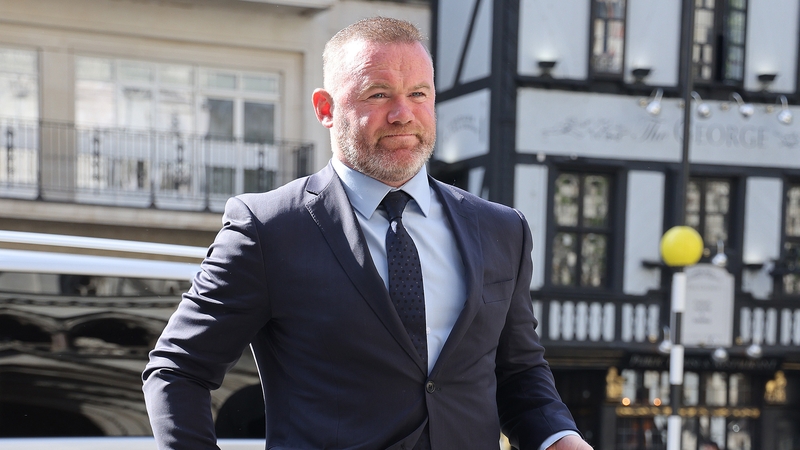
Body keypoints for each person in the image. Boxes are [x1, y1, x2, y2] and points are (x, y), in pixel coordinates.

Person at [143, 17, 591, 450]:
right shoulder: (268, 229)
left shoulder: (501, 230)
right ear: (325, 108)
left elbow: (519, 375)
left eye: (419, 93)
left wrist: (558, 438)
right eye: (378, 95)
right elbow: (177, 371)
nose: (403, 114)